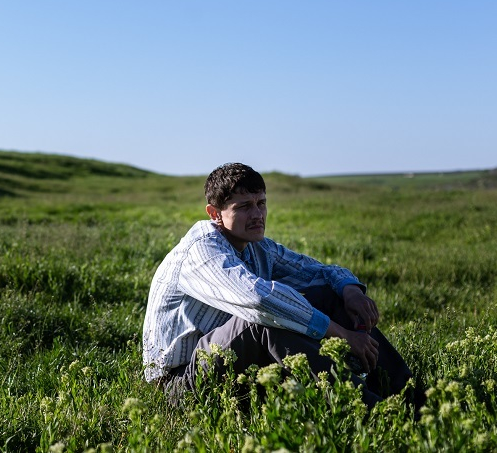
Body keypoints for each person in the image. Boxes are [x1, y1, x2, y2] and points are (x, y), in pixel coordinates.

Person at [142, 162, 415, 407]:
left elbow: (320, 272)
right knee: (261, 320)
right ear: (215, 213)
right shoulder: (202, 250)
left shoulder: (257, 246)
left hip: (229, 360)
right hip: (182, 382)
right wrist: (342, 335)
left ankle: (409, 395)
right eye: (243, 207)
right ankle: (371, 411)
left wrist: (351, 291)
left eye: (261, 203)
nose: (257, 214)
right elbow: (258, 300)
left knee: (328, 295)